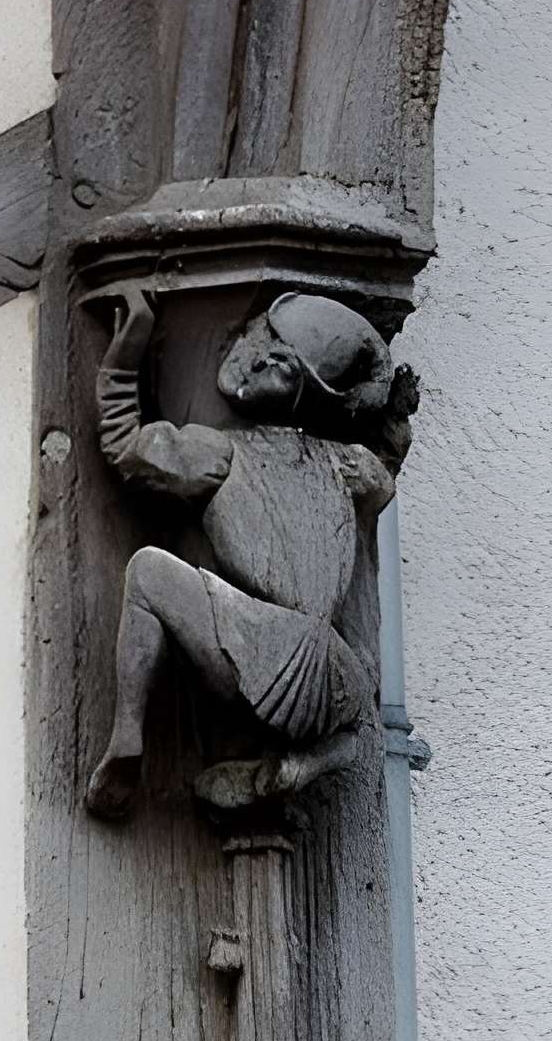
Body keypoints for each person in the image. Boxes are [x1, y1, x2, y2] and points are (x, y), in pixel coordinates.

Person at [86, 283, 418, 818]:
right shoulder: (346, 465)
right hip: (328, 670)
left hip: (260, 651)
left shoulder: (220, 452)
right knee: (361, 725)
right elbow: (383, 482)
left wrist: (125, 356)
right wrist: (392, 426)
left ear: (300, 397)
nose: (256, 359)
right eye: (258, 335)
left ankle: (127, 734)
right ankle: (304, 764)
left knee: (147, 571)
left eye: (281, 368)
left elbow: (125, 446)